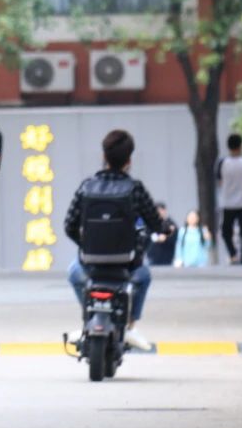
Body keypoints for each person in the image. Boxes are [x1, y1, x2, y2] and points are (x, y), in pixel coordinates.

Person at [63, 129, 168, 352]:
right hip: (126, 264)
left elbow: (69, 225)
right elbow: (155, 222)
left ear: (104, 157)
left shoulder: (86, 187)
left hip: (90, 263)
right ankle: (130, 325)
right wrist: (166, 229)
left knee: (73, 273)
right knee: (144, 276)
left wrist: (85, 245)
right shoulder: (135, 189)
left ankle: (90, 316)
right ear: (129, 160)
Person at [216, 133, 242, 265]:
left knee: (226, 232)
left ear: (228, 146)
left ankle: (233, 254)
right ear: (241, 146)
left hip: (228, 203)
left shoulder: (222, 162)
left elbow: (219, 181)